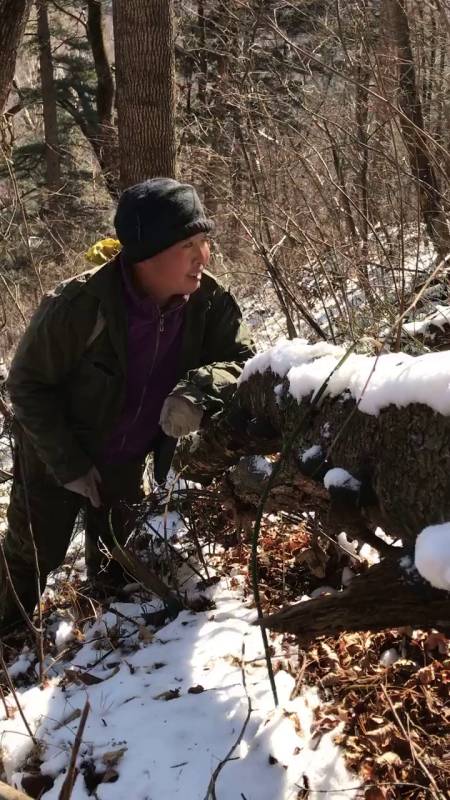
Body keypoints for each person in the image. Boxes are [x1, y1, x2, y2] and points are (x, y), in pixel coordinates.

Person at [0, 178, 254, 633]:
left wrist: (198, 389)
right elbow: (27, 385)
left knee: (116, 558)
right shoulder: (79, 305)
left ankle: (101, 638)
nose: (203, 257)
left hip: (126, 461)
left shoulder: (209, 302)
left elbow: (243, 361)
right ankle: (10, 643)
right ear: (147, 254)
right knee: (33, 556)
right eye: (188, 245)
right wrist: (69, 465)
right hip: (54, 456)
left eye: (204, 242)